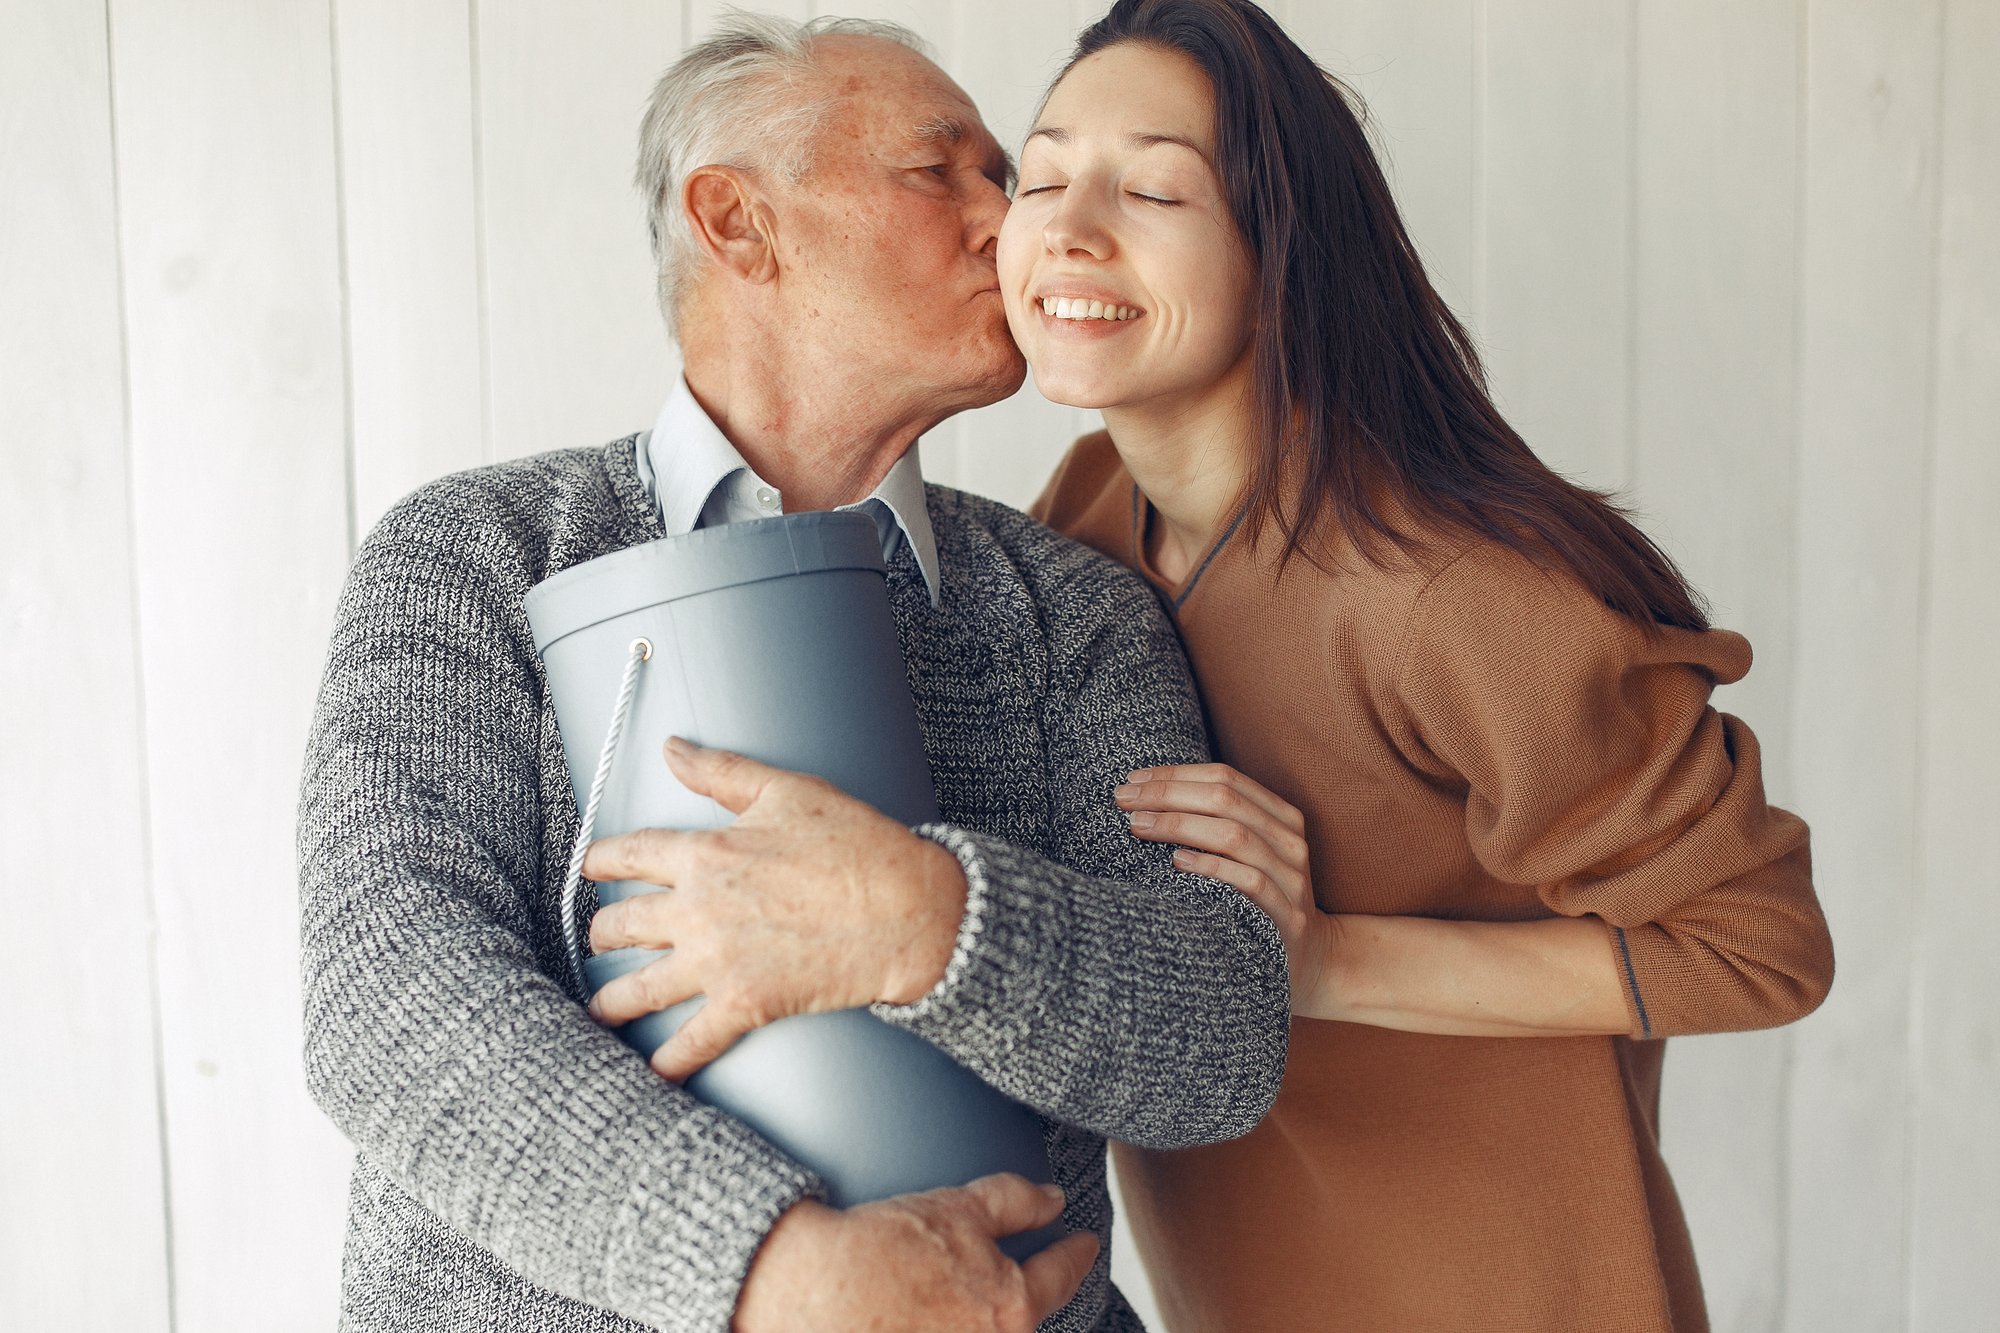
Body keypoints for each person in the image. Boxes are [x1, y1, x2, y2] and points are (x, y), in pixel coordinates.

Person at [296, 14, 1290, 1333]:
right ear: (739, 223)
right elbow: (391, 996)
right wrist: (772, 1266)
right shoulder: (475, 558)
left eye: (1011, 178)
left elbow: (1220, 1034)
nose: (1017, 223)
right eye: (945, 173)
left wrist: (928, 922)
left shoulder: (1078, 612)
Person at [1004, 2, 1837, 1330]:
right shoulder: (1090, 511)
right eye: (1039, 175)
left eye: (1154, 185)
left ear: (1280, 252)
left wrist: (1317, 956)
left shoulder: (1438, 594)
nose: (1067, 223)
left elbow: (1759, 944)